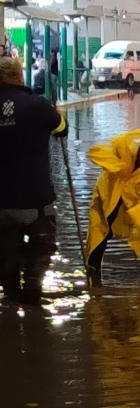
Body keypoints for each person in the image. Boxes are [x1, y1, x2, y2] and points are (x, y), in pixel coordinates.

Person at [0, 57, 68, 305]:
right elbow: (62, 129)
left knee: (6, 253)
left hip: (1, 202)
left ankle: (11, 303)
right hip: (35, 197)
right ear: (20, 76)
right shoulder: (37, 105)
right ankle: (32, 296)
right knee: (41, 249)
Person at [86, 130, 140, 290]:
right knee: (98, 240)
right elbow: (95, 152)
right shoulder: (123, 143)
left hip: (139, 204)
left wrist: (137, 216)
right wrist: (118, 167)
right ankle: (93, 286)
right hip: (110, 198)